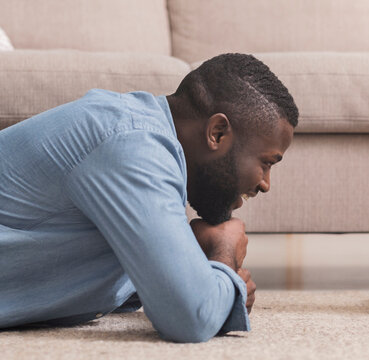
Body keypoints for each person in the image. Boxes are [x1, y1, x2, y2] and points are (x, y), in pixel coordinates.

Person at [0, 53, 299, 342]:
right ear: (218, 133)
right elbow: (190, 317)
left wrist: (193, 265)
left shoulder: (136, 135)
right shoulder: (135, 145)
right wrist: (223, 253)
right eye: (266, 163)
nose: (265, 184)